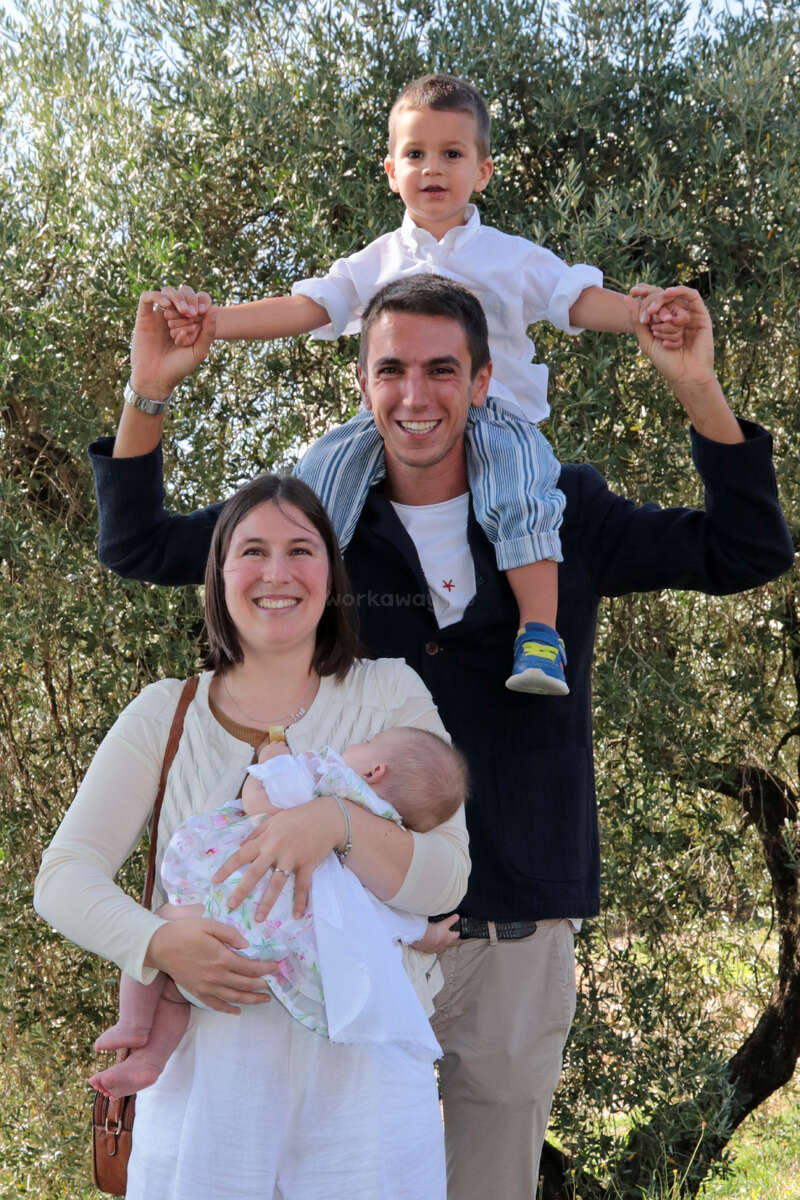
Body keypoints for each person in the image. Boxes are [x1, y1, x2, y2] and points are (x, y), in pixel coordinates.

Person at [87, 276, 793, 1200]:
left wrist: (696, 386)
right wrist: (149, 390)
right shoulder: (319, 527)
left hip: (513, 933)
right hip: (346, 949)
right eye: (391, 370)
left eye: (442, 370)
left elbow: (747, 550)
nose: (414, 395)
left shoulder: (563, 509)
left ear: (483, 380)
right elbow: (137, 545)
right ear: (362, 383)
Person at [159, 73, 686, 698]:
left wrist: (639, 316)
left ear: (483, 172)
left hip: (496, 418)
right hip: (394, 424)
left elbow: (574, 300)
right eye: (415, 153)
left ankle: (540, 633)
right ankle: (298, 636)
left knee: (523, 498)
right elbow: (308, 309)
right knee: (315, 483)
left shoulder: (510, 256)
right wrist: (215, 323)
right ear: (391, 171)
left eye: (451, 154)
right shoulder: (375, 261)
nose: (432, 168)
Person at [35, 470, 471, 1200]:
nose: (277, 573)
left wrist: (334, 823)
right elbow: (63, 876)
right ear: (218, 575)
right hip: (205, 1066)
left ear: (331, 575)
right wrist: (160, 944)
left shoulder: (390, 694)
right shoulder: (164, 712)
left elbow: (446, 876)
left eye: (301, 551)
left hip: (364, 1072)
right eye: (253, 551)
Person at [90, 727, 467, 1100]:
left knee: (157, 930)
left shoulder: (329, 782)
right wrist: (429, 936)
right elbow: (384, 916)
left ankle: (134, 1024)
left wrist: (271, 757)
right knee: (176, 994)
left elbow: (262, 801)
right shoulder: (383, 839)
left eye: (367, 743)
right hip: (274, 959)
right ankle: (150, 1061)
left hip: (241, 912)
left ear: (374, 770)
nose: (356, 743)